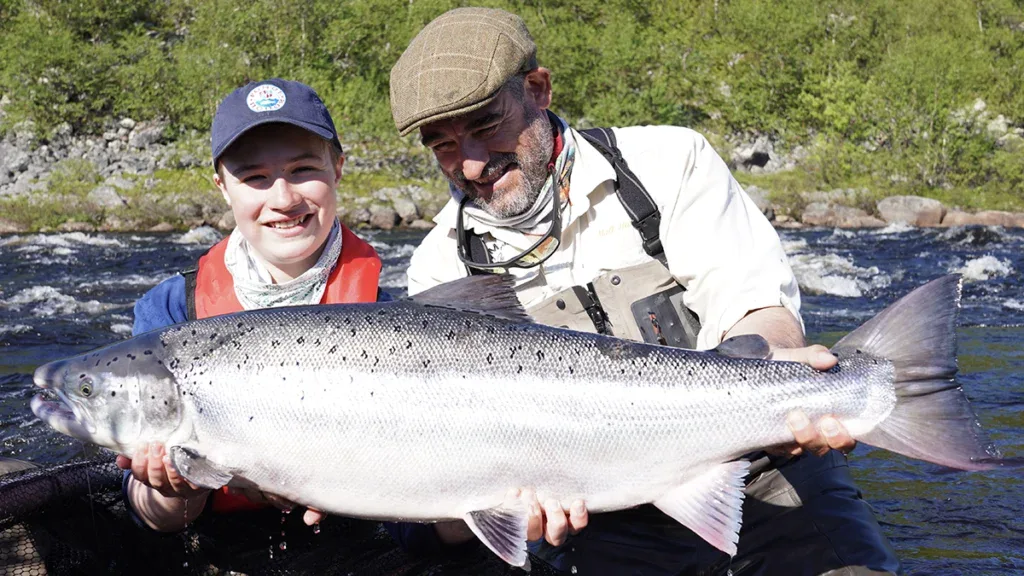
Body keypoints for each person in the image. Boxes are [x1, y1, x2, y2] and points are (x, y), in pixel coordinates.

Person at [385, 7, 900, 575]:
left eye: (486, 126)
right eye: (444, 146)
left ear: (539, 89)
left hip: (763, 475)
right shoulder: (440, 263)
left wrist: (774, 374)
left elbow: (756, 308)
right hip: (604, 515)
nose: (474, 164)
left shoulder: (667, 163)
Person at [116, 78, 384, 532]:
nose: (283, 199)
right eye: (255, 178)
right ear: (223, 187)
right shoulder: (170, 312)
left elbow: (415, 524)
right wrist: (173, 488)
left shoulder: (389, 311)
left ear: (337, 168)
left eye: (303, 170)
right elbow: (154, 519)